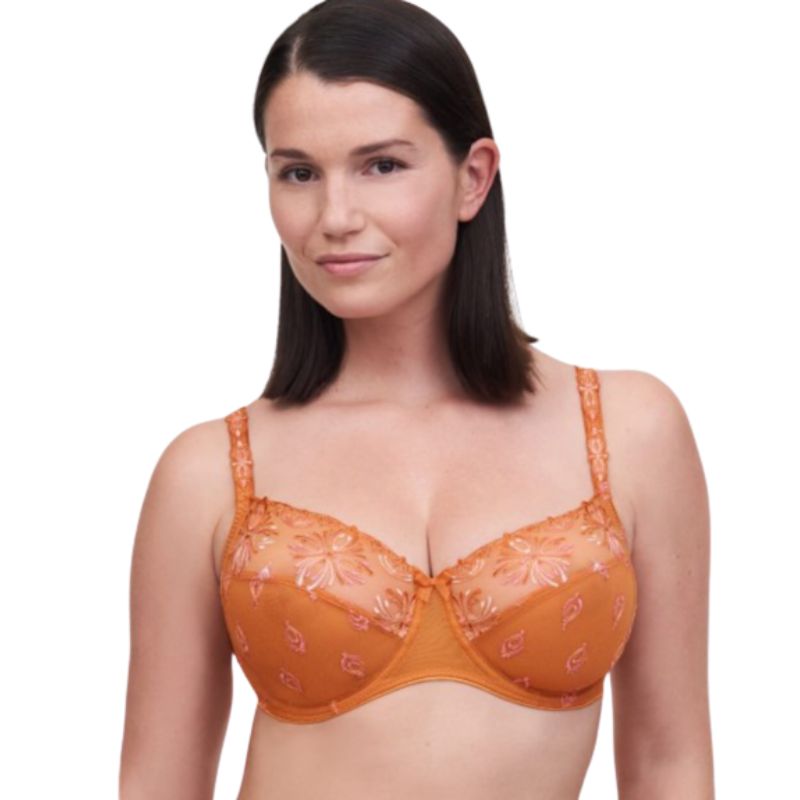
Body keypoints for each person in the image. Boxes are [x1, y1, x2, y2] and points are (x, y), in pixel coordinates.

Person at [119, 1, 714, 797]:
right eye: (299, 173)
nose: (335, 217)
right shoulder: (207, 474)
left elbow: (670, 764)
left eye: (382, 166)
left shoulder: (631, 431)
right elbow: (156, 782)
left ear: (474, 178)